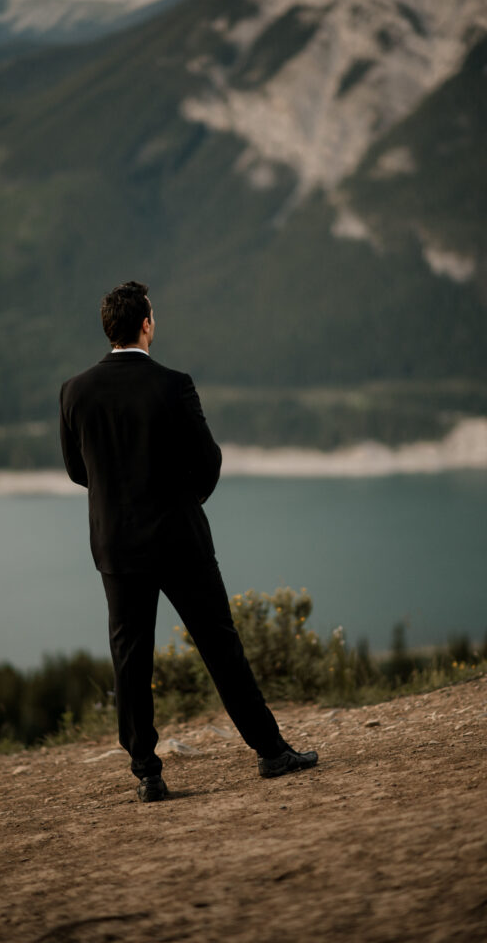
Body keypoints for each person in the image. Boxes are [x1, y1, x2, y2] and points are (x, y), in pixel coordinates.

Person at [59, 281, 317, 801]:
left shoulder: (75, 390)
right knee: (221, 646)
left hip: (116, 545)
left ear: (109, 328)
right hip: (180, 540)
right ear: (146, 324)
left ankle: (147, 774)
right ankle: (270, 752)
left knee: (130, 658)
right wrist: (183, 502)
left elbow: (76, 471)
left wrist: (119, 499)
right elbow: (209, 461)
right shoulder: (174, 385)